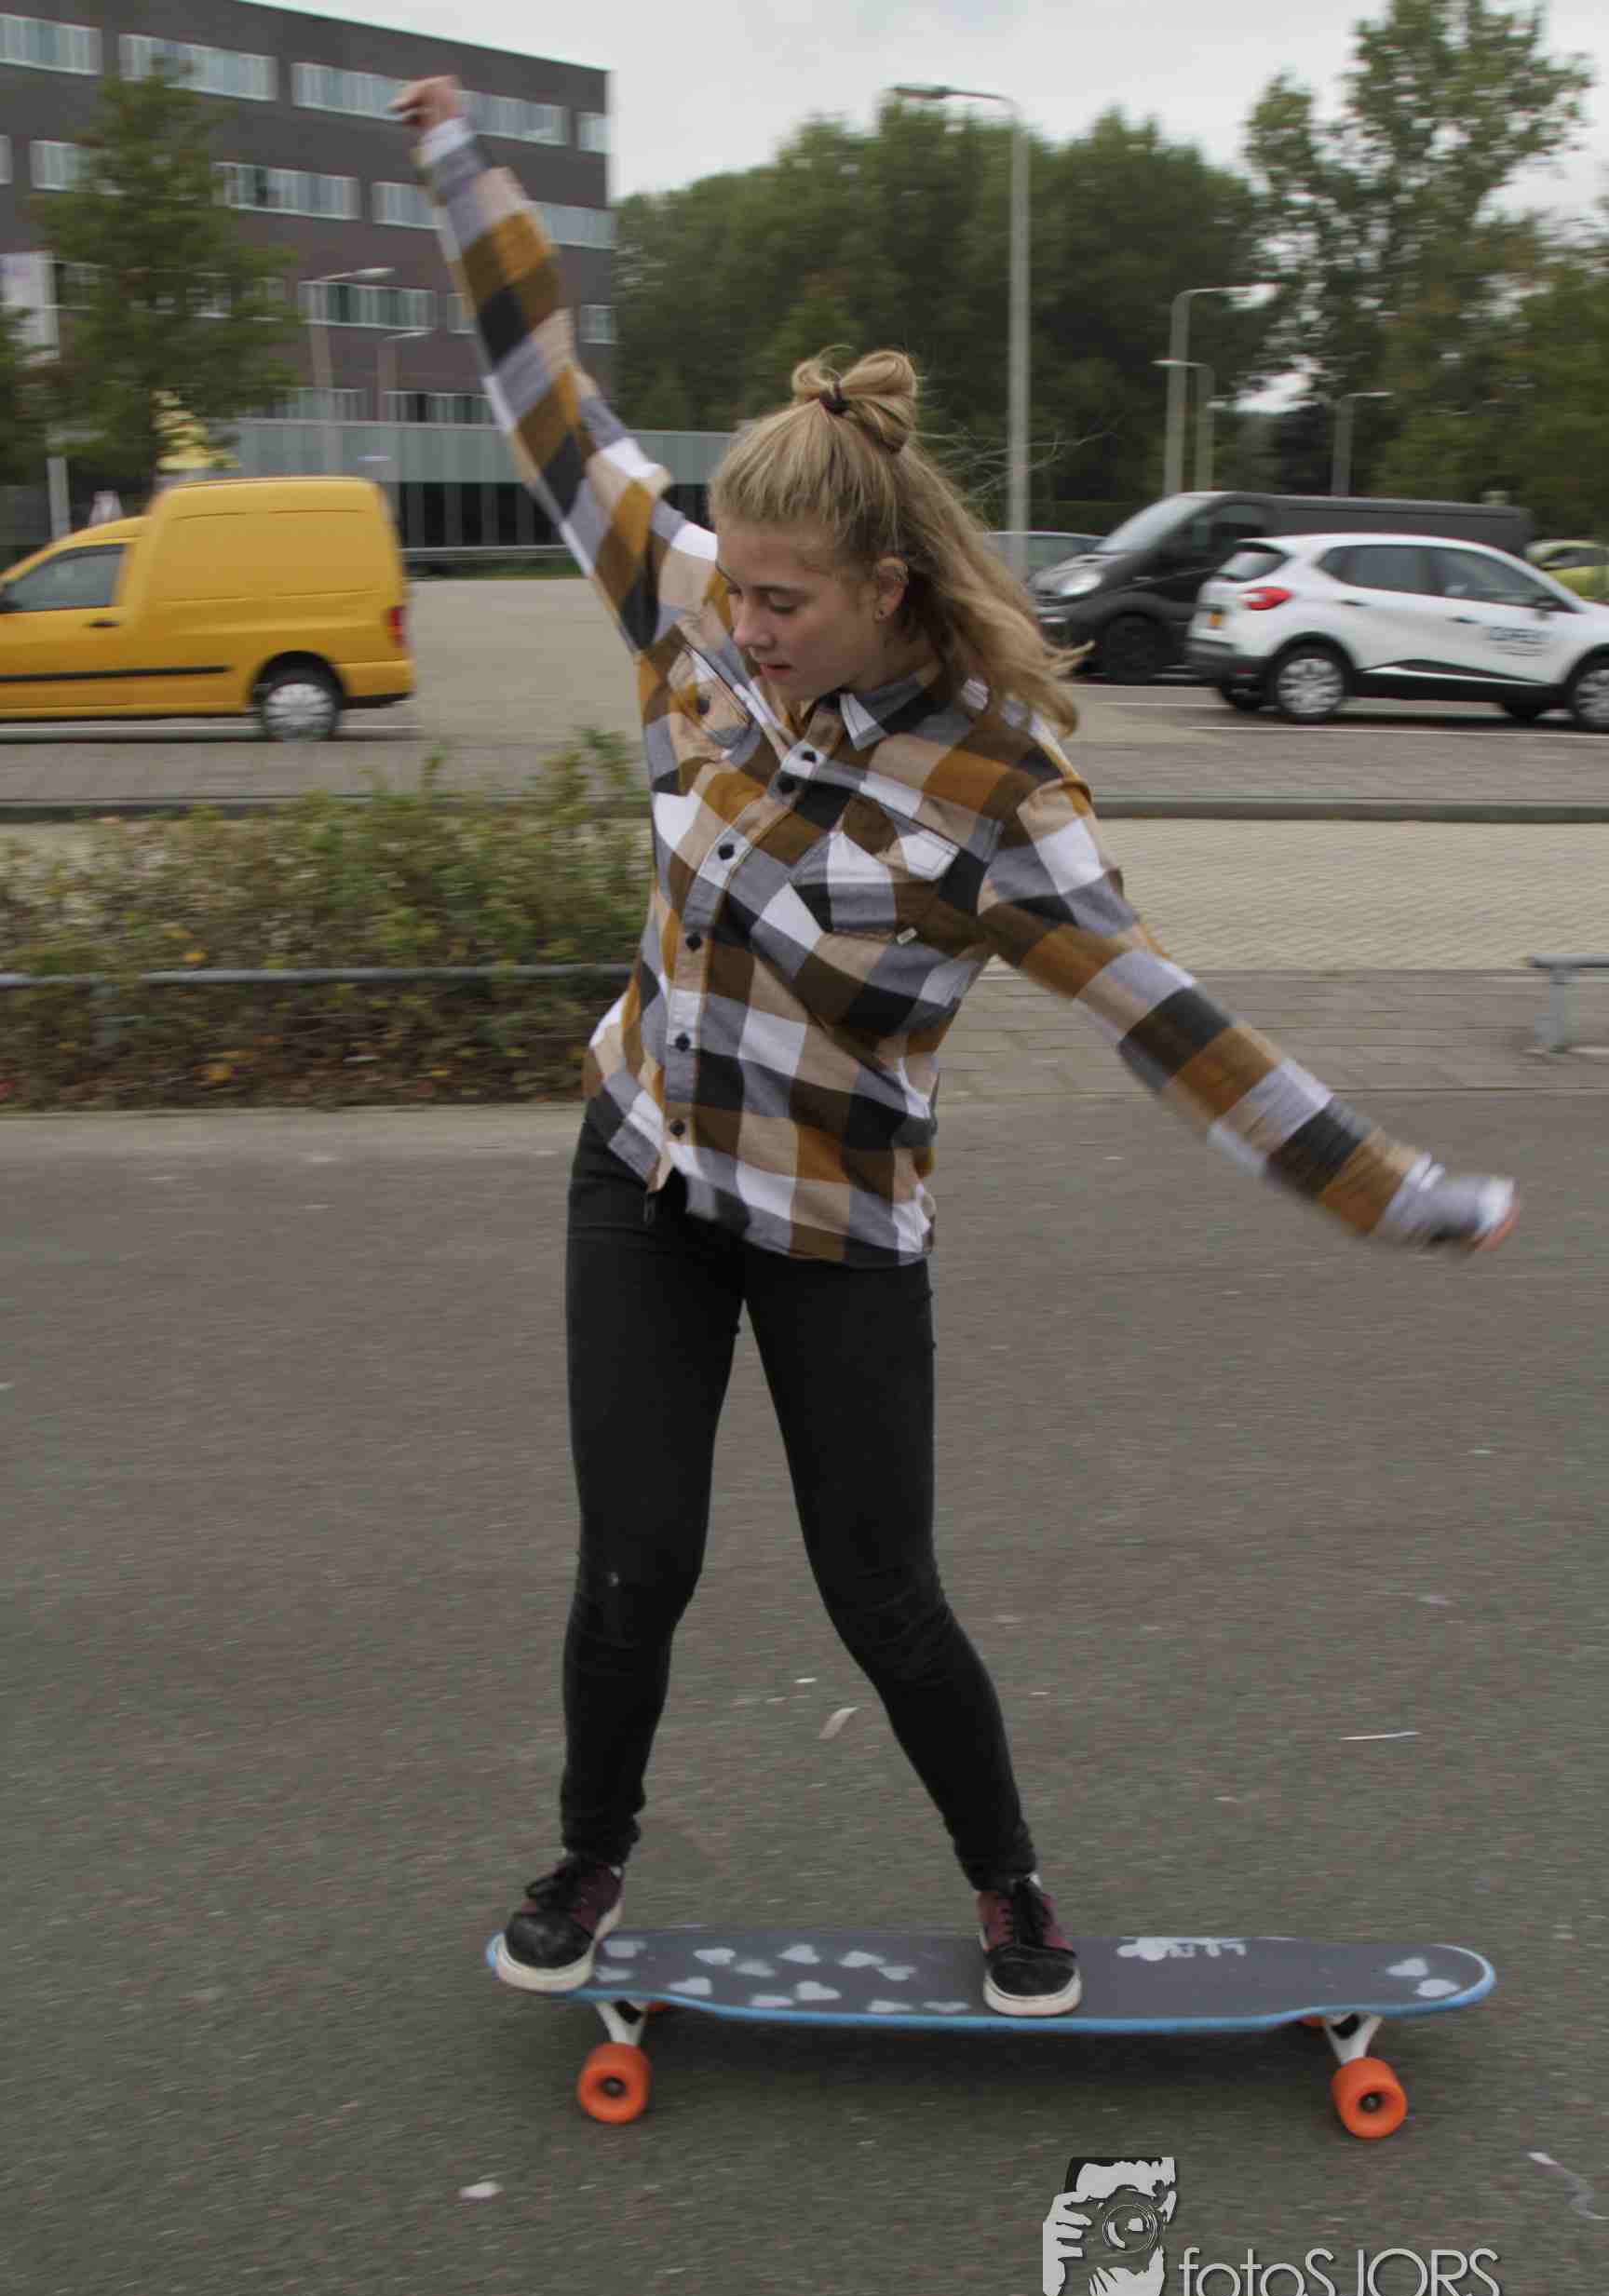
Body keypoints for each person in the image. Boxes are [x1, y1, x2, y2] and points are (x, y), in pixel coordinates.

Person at [390, 75, 1517, 2019]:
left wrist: (1383, 1189)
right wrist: (459, 165)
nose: (744, 627)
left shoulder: (999, 786)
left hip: (838, 1222)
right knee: (633, 1563)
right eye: (732, 587)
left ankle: (1008, 1883)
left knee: (882, 1593)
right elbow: (545, 395)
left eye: (786, 602)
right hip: (643, 1171)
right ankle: (589, 1851)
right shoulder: (694, 607)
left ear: (884, 591)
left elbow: (1162, 1016)